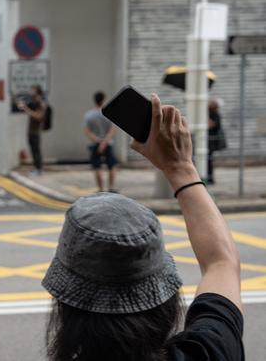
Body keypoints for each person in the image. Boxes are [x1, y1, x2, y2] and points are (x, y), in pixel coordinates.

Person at [42, 93, 243, 361]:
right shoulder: (210, 352)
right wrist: (181, 167)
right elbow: (221, 262)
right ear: (165, 300)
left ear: (64, 304)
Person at [84, 91, 118, 192]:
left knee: (97, 167)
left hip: (95, 144)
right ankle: (111, 188)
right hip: (108, 143)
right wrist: (105, 142)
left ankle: (100, 189)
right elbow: (113, 129)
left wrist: (97, 140)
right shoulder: (108, 113)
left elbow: (87, 131)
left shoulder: (89, 115)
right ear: (103, 100)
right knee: (112, 166)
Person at [17, 85, 47, 175]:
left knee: (36, 150)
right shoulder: (34, 103)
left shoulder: (41, 103)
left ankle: (39, 169)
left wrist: (27, 109)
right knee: (33, 151)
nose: (31, 92)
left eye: (33, 90)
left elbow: (39, 116)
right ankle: (36, 168)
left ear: (38, 92)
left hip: (35, 131)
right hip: (31, 131)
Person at [207, 97, 226, 185]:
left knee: (209, 160)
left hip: (211, 141)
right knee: (207, 160)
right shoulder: (208, 113)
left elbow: (212, 125)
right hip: (207, 140)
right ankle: (208, 177)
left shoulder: (216, 115)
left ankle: (210, 178)